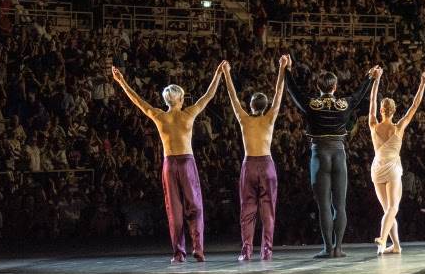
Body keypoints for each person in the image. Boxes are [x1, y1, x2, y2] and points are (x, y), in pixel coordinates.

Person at [111, 63, 223, 263]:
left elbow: (138, 101)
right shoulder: (188, 114)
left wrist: (122, 82)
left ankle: (179, 253)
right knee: (195, 206)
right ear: (180, 99)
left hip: (169, 165)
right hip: (186, 162)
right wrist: (217, 74)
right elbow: (208, 95)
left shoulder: (159, 115)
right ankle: (198, 249)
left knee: (175, 209)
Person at [283, 59, 377, 258]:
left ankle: (327, 248)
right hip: (339, 153)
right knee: (340, 205)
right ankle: (339, 248)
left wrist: (286, 69)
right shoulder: (344, 104)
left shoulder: (312, 104)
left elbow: (292, 90)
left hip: (319, 154)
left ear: (318, 86)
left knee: (324, 204)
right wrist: (370, 77)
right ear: (335, 87)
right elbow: (360, 95)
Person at [221, 56, 289, 261]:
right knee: (268, 210)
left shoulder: (244, 118)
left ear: (251, 106)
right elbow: (278, 93)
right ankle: (266, 250)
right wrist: (282, 68)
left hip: (249, 164)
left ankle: (247, 250)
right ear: (265, 105)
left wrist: (226, 73)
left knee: (248, 210)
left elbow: (233, 97)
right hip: (267, 166)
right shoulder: (269, 118)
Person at [367, 68, 425, 255]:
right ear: (394, 111)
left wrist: (376, 80)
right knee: (392, 208)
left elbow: (371, 102)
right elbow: (414, 106)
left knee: (388, 210)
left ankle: (396, 245)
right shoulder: (398, 127)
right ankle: (383, 237)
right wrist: (422, 84)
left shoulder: (373, 124)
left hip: (377, 168)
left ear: (381, 110)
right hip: (392, 168)